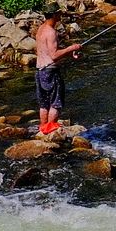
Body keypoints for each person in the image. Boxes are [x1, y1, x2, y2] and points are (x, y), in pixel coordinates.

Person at [34, 8, 82, 137]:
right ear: (54, 15)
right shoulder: (51, 32)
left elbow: (46, 52)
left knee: (44, 102)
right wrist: (72, 47)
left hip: (39, 71)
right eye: (58, 13)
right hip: (50, 72)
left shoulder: (41, 29)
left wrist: (69, 54)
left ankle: (43, 128)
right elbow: (54, 55)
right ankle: (51, 129)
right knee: (56, 101)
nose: (60, 15)